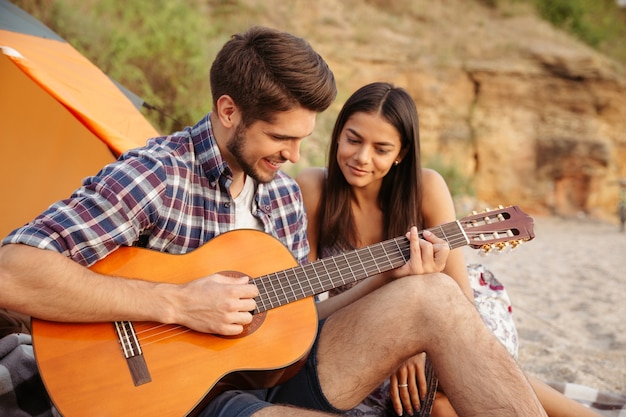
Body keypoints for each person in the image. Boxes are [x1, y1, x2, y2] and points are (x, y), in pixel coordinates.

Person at [0, 27, 548, 417]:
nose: (294, 155)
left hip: (279, 372)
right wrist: (176, 303)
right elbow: (13, 271)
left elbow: (303, 315)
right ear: (229, 110)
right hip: (180, 396)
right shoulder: (157, 175)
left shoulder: (281, 195)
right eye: (281, 137)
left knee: (437, 297)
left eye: (303, 138)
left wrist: (391, 275)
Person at [296, 81, 602, 417]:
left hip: (453, 309)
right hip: (363, 324)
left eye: (381, 149)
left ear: (401, 154)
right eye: (353, 139)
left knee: (449, 374)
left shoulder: (426, 188)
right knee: (436, 402)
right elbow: (307, 315)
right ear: (338, 134)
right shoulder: (314, 189)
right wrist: (398, 338)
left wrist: (419, 342)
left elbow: (460, 306)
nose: (361, 157)